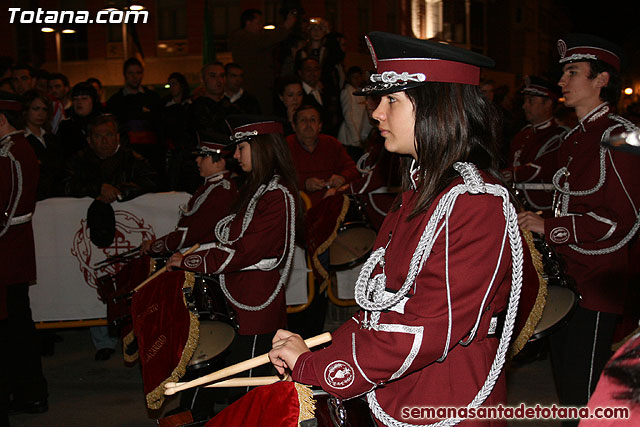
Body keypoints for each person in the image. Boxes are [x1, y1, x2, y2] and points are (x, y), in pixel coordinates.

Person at [269, 31, 525, 426]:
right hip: (402, 390)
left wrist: (314, 367)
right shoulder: (421, 190)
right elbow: (383, 302)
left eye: (392, 100)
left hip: (447, 403)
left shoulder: (474, 202)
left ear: (434, 108)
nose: (376, 113)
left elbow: (427, 328)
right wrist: (321, 351)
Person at [518, 34, 640, 426]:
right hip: (565, 274)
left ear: (601, 79)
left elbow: (623, 219)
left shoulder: (624, 133)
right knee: (567, 388)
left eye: (573, 72)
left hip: (598, 276)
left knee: (584, 391)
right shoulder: (573, 137)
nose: (562, 82)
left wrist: (548, 227)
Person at [166, 115, 301, 408]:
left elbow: (245, 251)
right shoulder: (258, 188)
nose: (235, 155)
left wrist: (191, 261)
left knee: (249, 388)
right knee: (237, 381)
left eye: (242, 147)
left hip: (255, 301)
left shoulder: (277, 194)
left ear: (262, 147)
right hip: (238, 294)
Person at [60, 114, 158, 360]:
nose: (104, 141)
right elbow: (62, 185)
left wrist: (120, 192)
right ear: (89, 139)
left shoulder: (134, 159)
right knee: (94, 283)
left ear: (117, 136)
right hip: (92, 238)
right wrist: (95, 190)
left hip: (129, 239)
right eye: (98, 136)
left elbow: (153, 182)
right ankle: (102, 340)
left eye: (109, 135)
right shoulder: (77, 161)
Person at [0, 93, 49, 421]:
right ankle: (26, 392)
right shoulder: (13, 150)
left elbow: (12, 209)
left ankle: (29, 393)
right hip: (11, 252)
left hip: (9, 254)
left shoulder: (14, 152)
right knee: (16, 327)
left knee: (15, 328)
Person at [141, 137, 238, 258]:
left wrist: (156, 246)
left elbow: (195, 233)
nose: (197, 160)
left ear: (219, 162)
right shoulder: (211, 186)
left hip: (204, 256)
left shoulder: (221, 192)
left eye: (203, 156)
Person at [506, 75, 568, 215]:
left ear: (548, 104)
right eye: (525, 101)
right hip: (517, 204)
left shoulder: (558, 135)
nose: (524, 106)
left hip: (541, 207)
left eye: (531, 101)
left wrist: (508, 174)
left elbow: (539, 169)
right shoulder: (523, 133)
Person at [286, 104, 359, 207]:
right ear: (294, 126)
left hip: (332, 203)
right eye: (303, 120)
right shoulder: (286, 146)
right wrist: (304, 183)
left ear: (320, 126)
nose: (308, 125)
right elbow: (278, 178)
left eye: (313, 120)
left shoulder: (331, 143)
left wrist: (342, 177)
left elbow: (353, 169)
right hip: (298, 205)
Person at [228, 8, 297, 114]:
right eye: (258, 23)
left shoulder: (254, 39)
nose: (261, 27)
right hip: (253, 87)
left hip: (262, 88)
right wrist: (285, 26)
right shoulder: (241, 37)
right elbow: (267, 40)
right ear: (248, 23)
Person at [106, 57, 163, 181]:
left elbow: (160, 127)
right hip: (126, 156)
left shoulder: (153, 98)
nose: (135, 76)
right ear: (125, 75)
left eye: (138, 73)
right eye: (131, 73)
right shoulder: (115, 101)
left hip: (152, 155)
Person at [21, 89, 63, 200]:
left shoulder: (51, 138)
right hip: (32, 197)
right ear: (26, 110)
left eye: (44, 109)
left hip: (55, 196)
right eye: (36, 109)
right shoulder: (20, 139)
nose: (41, 114)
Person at [160, 72, 196, 192]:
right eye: (170, 84)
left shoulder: (190, 105)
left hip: (186, 152)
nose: (172, 87)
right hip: (171, 152)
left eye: (174, 84)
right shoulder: (165, 106)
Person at [56, 82, 103, 158]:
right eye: (75, 99)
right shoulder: (65, 126)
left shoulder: (104, 123)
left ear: (93, 100)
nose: (79, 102)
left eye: (84, 98)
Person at [337, 66, 373, 160]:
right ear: (349, 78)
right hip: (350, 137)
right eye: (354, 77)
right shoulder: (347, 91)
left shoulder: (360, 91)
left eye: (358, 77)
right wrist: (356, 139)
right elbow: (348, 116)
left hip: (359, 133)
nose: (357, 79)